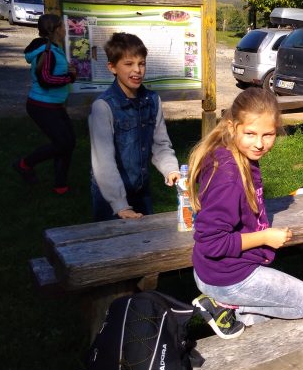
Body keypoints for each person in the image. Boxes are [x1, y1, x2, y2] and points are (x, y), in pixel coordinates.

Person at [189, 88, 303, 370]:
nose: (259, 143)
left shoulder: (236, 156)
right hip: (227, 276)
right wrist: (265, 237)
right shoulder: (228, 174)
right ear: (232, 127)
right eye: (250, 133)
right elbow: (212, 242)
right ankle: (224, 306)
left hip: (226, 271)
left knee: (249, 329)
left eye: (268, 134)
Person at [89, 32, 180, 221]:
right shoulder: (103, 107)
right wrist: (120, 205)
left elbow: (160, 144)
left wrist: (171, 169)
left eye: (141, 63)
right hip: (110, 199)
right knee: (115, 240)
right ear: (112, 67)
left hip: (141, 191)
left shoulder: (152, 100)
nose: (137, 70)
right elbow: (103, 162)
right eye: (129, 64)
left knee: (148, 237)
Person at [12, 14, 77, 193]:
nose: (65, 29)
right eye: (62, 26)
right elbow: (46, 80)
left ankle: (60, 185)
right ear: (55, 30)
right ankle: (24, 164)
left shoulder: (54, 48)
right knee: (62, 143)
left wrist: (69, 72)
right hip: (42, 105)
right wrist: (70, 77)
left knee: (68, 142)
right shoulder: (47, 51)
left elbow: (52, 74)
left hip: (53, 104)